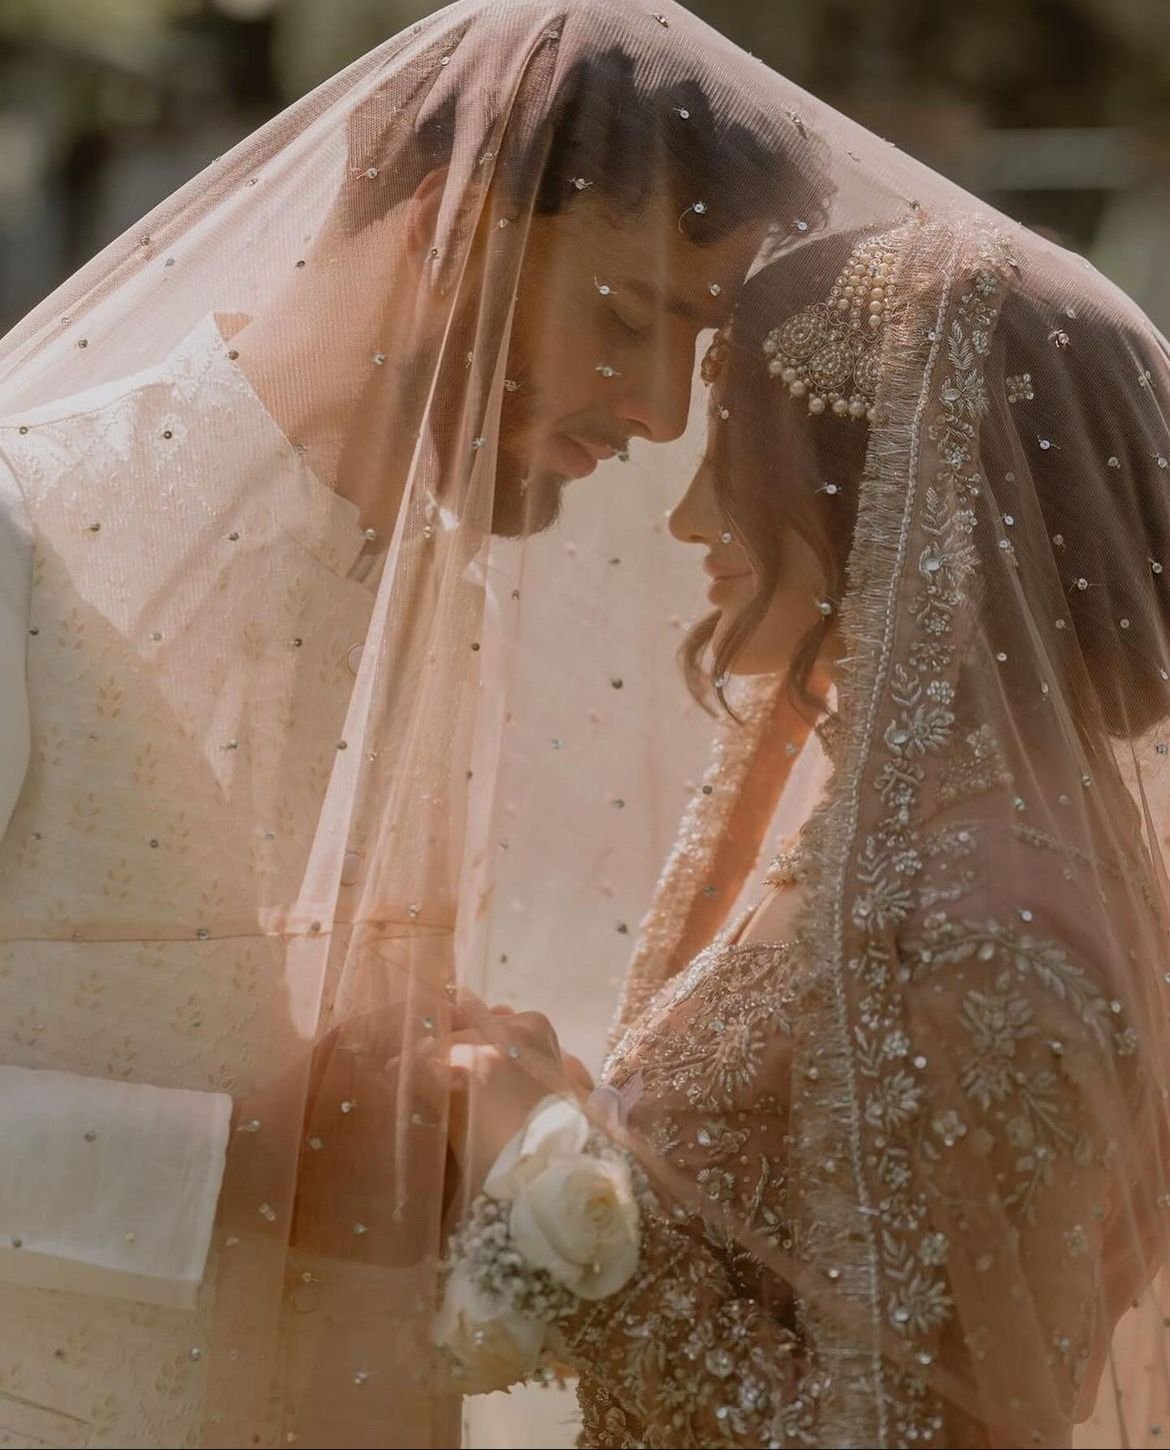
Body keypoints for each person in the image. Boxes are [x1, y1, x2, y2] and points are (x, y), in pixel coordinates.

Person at [0, 4, 821, 1447]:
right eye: (626, 319)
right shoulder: (28, 533)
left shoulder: (440, 595)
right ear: (454, 226)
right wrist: (246, 1167)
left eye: (691, 345)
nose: (654, 411)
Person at [431, 217, 1170, 1448]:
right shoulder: (912, 828)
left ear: (900, 496)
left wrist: (552, 1182)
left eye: (738, 457)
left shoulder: (997, 925)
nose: (686, 521)